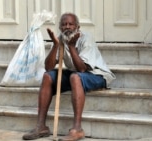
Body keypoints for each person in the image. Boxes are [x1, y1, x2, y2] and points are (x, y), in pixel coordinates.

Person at [22, 12, 116, 141]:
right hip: (76, 73)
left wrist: (71, 47)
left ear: (77, 26)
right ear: (60, 27)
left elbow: (82, 68)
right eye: (64, 24)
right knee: (47, 76)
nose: (67, 27)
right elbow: (48, 67)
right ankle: (41, 126)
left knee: (75, 77)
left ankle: (77, 129)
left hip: (97, 74)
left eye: (71, 24)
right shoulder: (60, 39)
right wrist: (55, 45)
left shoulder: (85, 38)